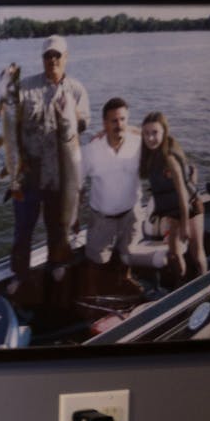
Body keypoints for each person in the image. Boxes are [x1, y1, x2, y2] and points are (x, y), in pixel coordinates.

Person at [10, 35, 90, 296]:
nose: (52, 60)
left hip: (60, 177)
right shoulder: (24, 87)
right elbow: (11, 122)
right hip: (29, 175)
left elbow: (84, 124)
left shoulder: (77, 90)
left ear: (66, 58)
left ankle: (58, 262)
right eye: (48, 56)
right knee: (23, 230)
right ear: (42, 59)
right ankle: (20, 274)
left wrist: (71, 114)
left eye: (57, 55)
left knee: (58, 227)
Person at [78, 97, 144, 297]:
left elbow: (160, 136)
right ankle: (91, 293)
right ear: (104, 123)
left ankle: (125, 278)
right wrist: (73, 215)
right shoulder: (90, 151)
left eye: (123, 119)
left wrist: (134, 129)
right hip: (102, 218)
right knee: (96, 260)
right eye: (113, 121)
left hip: (131, 214)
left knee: (128, 253)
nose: (119, 125)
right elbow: (77, 184)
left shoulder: (138, 143)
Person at [139, 111, 206, 285]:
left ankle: (203, 286)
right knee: (174, 254)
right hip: (171, 211)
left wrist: (185, 224)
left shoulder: (169, 159)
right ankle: (180, 284)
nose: (150, 138)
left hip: (190, 207)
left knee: (196, 252)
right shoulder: (150, 155)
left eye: (155, 133)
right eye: (146, 133)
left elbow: (182, 194)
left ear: (164, 133)